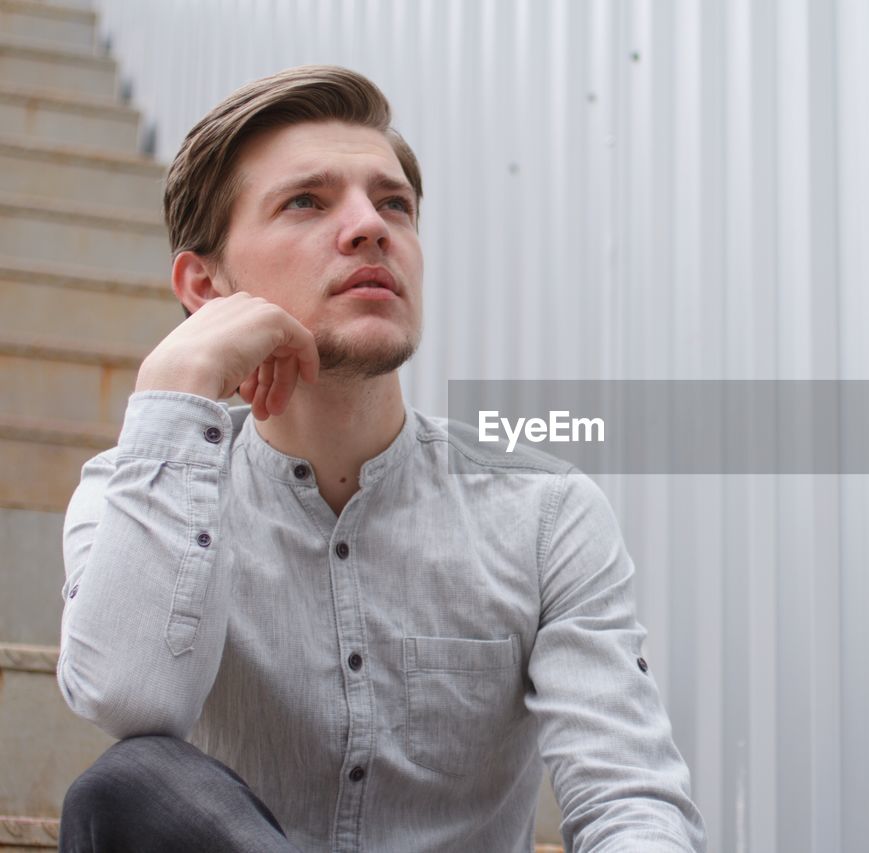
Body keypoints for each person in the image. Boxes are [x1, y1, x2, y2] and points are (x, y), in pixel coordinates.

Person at [56, 65, 705, 853]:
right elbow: (129, 697)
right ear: (204, 284)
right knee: (130, 785)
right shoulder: (135, 490)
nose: (371, 227)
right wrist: (173, 384)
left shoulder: (544, 511)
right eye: (307, 201)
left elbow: (629, 798)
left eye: (393, 203)